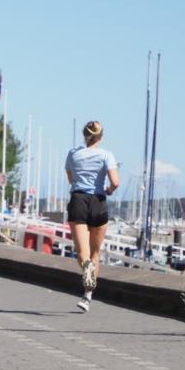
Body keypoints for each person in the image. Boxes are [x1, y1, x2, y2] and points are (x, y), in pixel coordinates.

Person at [65, 120, 119, 313]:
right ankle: (87, 297)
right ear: (101, 136)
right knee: (96, 253)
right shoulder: (106, 155)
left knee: (83, 255)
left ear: (83, 134)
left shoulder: (73, 154)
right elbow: (115, 182)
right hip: (99, 201)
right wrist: (109, 190)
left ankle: (86, 267)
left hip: (79, 200)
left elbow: (71, 179)